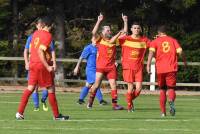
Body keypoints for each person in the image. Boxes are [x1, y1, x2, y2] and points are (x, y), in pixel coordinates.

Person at [16, 16, 69, 120]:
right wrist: (48, 66)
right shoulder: (48, 36)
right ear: (50, 25)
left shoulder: (35, 34)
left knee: (30, 88)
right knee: (51, 89)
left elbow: (35, 50)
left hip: (33, 64)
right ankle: (56, 115)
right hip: (41, 65)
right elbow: (40, 52)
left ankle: (19, 113)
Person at [146, 25, 186, 117]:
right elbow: (180, 52)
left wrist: (148, 65)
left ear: (159, 33)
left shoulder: (155, 41)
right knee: (171, 88)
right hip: (171, 68)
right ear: (166, 32)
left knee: (162, 90)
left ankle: (163, 113)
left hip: (160, 69)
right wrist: (184, 61)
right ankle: (171, 100)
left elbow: (151, 53)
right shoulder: (173, 40)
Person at [87, 13, 124, 110]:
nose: (109, 31)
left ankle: (115, 105)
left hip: (111, 67)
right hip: (101, 66)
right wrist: (99, 20)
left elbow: (124, 33)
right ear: (103, 32)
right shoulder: (100, 39)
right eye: (107, 30)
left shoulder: (114, 40)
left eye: (110, 30)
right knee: (96, 85)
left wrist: (125, 21)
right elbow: (93, 32)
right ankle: (90, 102)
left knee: (113, 85)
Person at [118, 15, 150, 112]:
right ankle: (129, 106)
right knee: (130, 87)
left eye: (138, 28)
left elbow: (154, 46)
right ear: (131, 29)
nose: (136, 29)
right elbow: (123, 33)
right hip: (128, 67)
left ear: (140, 30)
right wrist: (125, 21)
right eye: (134, 28)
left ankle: (129, 99)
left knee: (139, 88)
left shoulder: (144, 40)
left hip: (139, 67)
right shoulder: (126, 39)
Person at [24, 19, 56, 112]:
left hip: (43, 63)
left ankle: (43, 100)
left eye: (40, 25)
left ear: (42, 25)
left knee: (42, 87)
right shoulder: (32, 36)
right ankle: (37, 106)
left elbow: (52, 51)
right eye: (37, 25)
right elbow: (27, 51)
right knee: (36, 87)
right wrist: (26, 62)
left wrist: (54, 62)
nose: (39, 27)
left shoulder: (47, 36)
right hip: (39, 64)